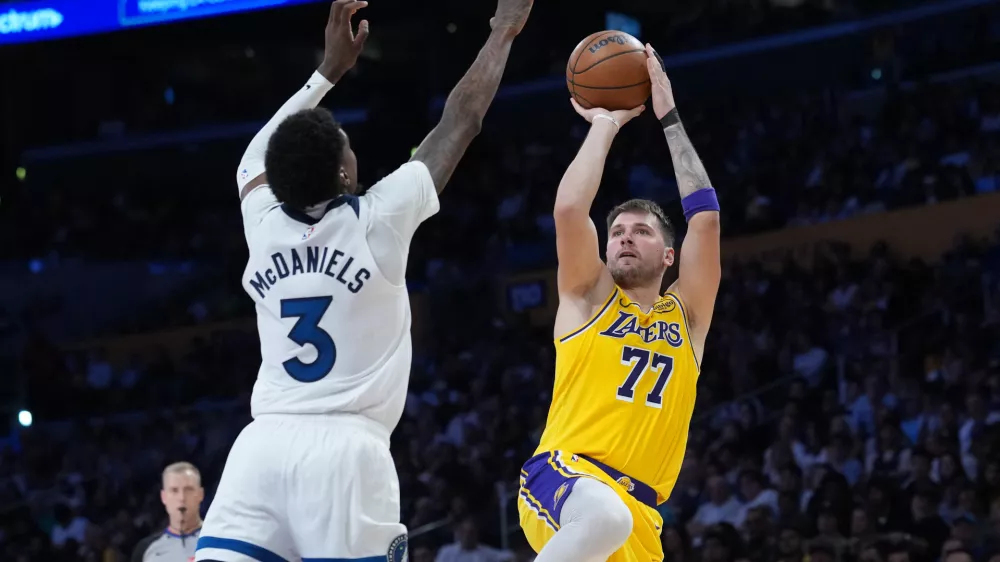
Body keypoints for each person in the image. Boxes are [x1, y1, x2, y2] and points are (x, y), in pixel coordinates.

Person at [194, 0, 533, 560]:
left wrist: (326, 73)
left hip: (262, 448)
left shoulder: (261, 220)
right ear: (344, 172)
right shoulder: (377, 219)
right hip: (348, 452)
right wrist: (503, 31)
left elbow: (257, 153)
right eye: (346, 143)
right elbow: (461, 122)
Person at [518, 44, 721, 562]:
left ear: (669, 255)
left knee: (615, 517)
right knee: (605, 514)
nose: (625, 239)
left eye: (642, 232)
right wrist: (606, 122)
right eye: (617, 232)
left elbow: (706, 219)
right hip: (566, 478)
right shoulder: (589, 295)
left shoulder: (688, 317)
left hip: (641, 520)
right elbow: (569, 209)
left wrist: (669, 118)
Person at [132, 462, 205, 562]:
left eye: (188, 490)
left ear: (200, 494)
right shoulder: (146, 549)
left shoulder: (219, 540)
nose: (182, 498)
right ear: (164, 497)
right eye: (174, 490)